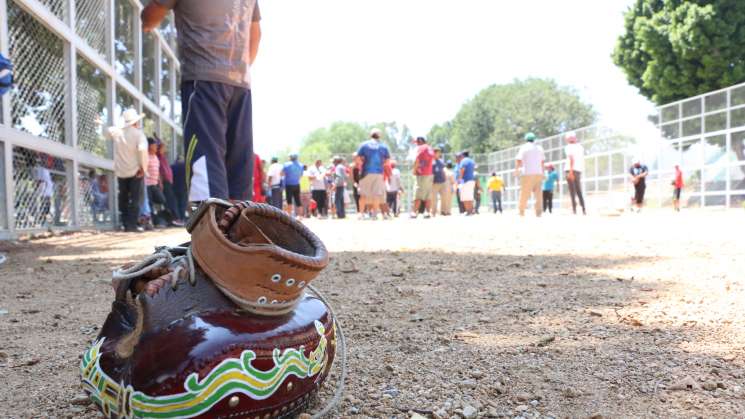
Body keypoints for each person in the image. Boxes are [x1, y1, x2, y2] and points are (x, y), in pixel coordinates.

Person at [142, 0, 261, 202]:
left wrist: (147, 19)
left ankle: (211, 227)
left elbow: (150, 17)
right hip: (240, 84)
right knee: (238, 165)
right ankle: (238, 227)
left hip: (203, 77)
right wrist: (238, 68)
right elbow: (256, 34)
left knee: (205, 163)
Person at [104, 109, 148, 232]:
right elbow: (142, 150)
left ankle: (124, 223)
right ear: (136, 122)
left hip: (121, 171)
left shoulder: (118, 132)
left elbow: (107, 132)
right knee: (135, 198)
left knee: (123, 197)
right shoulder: (138, 134)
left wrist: (101, 123)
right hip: (135, 171)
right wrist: (143, 167)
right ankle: (132, 225)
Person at [355, 128, 390, 220]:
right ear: (379, 136)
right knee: (376, 194)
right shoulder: (383, 146)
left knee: (363, 194)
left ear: (371, 135)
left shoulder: (364, 145)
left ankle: (361, 214)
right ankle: (374, 214)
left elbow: (357, 158)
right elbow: (387, 161)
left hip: (366, 171)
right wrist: (380, 164)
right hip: (378, 173)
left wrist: (361, 164)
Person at [515, 132, 545, 217]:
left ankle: (521, 211)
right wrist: (543, 173)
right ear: (534, 139)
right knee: (538, 194)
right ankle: (538, 212)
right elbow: (542, 162)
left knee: (524, 193)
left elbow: (518, 160)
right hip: (538, 173)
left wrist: (517, 170)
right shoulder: (540, 148)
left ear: (526, 139)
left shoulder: (524, 147)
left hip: (527, 173)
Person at [156, 140, 183, 226]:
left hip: (168, 182)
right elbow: (159, 171)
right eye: (163, 147)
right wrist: (160, 182)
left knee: (172, 200)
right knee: (170, 201)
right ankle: (174, 219)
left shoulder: (162, 157)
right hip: (164, 182)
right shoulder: (158, 157)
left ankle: (175, 218)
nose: (164, 149)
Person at [411, 137, 435, 219]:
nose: (416, 145)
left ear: (420, 142)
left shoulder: (421, 148)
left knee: (418, 193)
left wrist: (414, 170)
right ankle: (427, 212)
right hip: (429, 173)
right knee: (427, 194)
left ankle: (414, 212)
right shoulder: (430, 148)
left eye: (417, 143)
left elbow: (417, 160)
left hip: (422, 174)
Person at [564, 132, 586, 215]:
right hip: (578, 170)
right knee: (578, 190)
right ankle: (583, 209)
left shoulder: (568, 147)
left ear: (568, 139)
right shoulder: (580, 147)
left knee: (572, 191)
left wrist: (570, 172)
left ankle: (574, 210)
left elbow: (571, 159)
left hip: (570, 170)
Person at [430, 148, 447, 217]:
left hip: (442, 182)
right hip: (435, 182)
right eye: (438, 153)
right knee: (434, 198)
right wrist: (431, 181)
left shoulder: (441, 161)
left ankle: (443, 211)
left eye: (439, 153)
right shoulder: (431, 161)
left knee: (444, 197)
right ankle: (433, 212)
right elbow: (431, 172)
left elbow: (443, 170)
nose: (439, 154)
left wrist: (445, 178)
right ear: (434, 153)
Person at [171, 156, 188, 223]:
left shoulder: (172, 166)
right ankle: (182, 218)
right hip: (184, 188)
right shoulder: (185, 167)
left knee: (176, 203)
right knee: (182, 204)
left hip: (174, 187)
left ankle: (178, 218)